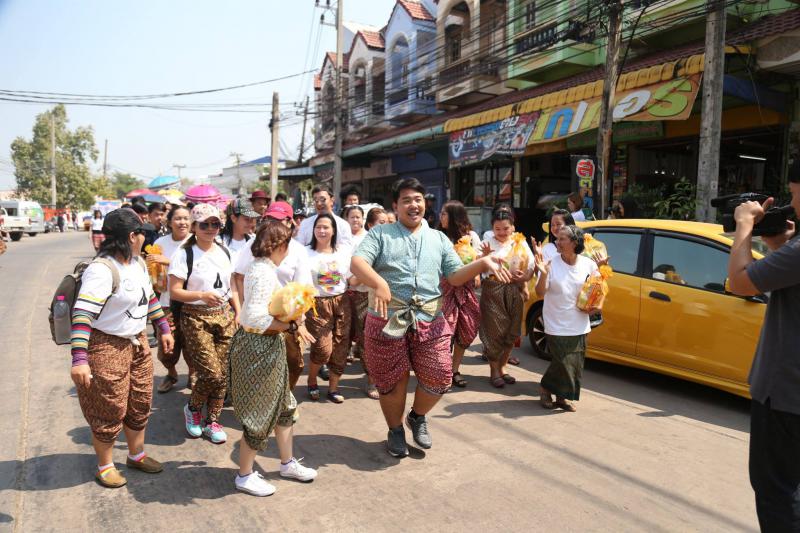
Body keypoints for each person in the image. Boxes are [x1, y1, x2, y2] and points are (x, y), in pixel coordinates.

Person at [350, 178, 511, 457]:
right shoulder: (380, 235)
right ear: (395, 206)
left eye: (418, 200)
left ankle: (417, 416)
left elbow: (454, 275)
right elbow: (357, 262)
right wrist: (379, 283)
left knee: (440, 376)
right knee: (391, 381)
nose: (413, 205)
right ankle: (395, 430)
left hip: (430, 317)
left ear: (425, 203)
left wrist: (481, 264)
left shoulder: (438, 238)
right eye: (406, 200)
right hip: (387, 319)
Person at [69, 208, 174, 488]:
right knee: (109, 407)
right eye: (142, 233)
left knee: (140, 402)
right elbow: (82, 315)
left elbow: (149, 297)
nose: (144, 238)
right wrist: (80, 358)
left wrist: (162, 328)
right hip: (106, 346)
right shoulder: (102, 270)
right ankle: (105, 465)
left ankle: (136, 455)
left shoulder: (137, 262)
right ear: (132, 236)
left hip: (137, 342)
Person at [727, 166, 800, 531]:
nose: (791, 204)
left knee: (775, 492)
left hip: (785, 396)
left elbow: (739, 282)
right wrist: (777, 245)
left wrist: (744, 224)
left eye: (794, 194)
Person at [230, 221, 317, 497]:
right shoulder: (262, 271)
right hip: (258, 349)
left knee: (284, 407)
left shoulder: (263, 268)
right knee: (260, 413)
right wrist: (290, 324)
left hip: (266, 347)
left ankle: (287, 463)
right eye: (287, 245)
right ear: (279, 245)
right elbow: (254, 318)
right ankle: (244, 475)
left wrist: (290, 318)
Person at [168, 203, 240, 444]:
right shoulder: (184, 253)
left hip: (225, 316)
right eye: (205, 224)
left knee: (224, 374)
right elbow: (175, 292)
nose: (210, 229)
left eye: (215, 224)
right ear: (195, 226)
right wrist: (201, 295)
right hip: (195, 317)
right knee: (211, 373)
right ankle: (193, 408)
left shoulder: (224, 251)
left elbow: (231, 287)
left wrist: (238, 312)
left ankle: (212, 421)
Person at [234, 201, 314, 390]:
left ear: (290, 222)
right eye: (269, 219)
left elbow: (303, 291)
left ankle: (279, 401)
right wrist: (241, 311)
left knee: (292, 365)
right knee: (263, 372)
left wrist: (297, 323)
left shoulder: (297, 250)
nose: (273, 225)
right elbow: (238, 278)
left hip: (287, 319)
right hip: (263, 324)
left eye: (278, 220)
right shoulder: (256, 254)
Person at [533, 225, 599, 412]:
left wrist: (596, 305)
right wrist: (543, 274)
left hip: (580, 322)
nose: (557, 242)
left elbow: (597, 290)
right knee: (561, 361)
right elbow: (539, 293)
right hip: (556, 322)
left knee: (574, 363)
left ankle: (562, 397)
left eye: (562, 239)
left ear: (575, 243)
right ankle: (546, 388)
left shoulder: (589, 264)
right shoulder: (550, 263)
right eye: (557, 238)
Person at [478, 205, 535, 387]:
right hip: (492, 289)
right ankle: (494, 370)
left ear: (513, 227)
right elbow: (475, 267)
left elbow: (532, 266)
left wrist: (524, 279)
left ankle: (503, 367)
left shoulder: (519, 242)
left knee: (512, 331)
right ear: (492, 228)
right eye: (497, 229)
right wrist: (484, 258)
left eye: (506, 228)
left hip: (513, 289)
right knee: (494, 332)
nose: (502, 232)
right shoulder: (487, 242)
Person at [304, 213, 352, 403]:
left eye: (326, 227)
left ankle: (333, 388)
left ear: (333, 231)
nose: (322, 231)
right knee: (323, 348)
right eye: (318, 227)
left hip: (341, 301)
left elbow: (350, 278)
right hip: (316, 304)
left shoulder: (343, 253)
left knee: (341, 347)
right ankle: (312, 378)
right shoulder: (305, 252)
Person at [148, 205, 193, 393]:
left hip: (192, 302)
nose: (182, 222)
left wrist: (168, 262)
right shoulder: (161, 242)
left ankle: (193, 376)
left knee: (193, 344)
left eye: (186, 218)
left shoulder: (197, 241)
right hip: (167, 301)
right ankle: (172, 373)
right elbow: (154, 272)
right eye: (178, 218)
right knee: (167, 345)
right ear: (169, 222)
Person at [438, 200, 481, 389]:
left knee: (467, 330)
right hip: (444, 291)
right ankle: (444, 373)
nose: (441, 217)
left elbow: (479, 259)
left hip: (466, 290)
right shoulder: (438, 237)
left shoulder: (471, 237)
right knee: (444, 334)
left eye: (444, 214)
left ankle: (455, 369)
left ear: (455, 216)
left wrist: (478, 272)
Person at [344, 205, 379, 399]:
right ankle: (371, 380)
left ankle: (379, 378)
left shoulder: (385, 242)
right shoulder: (354, 243)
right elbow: (352, 277)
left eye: (359, 217)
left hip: (383, 297)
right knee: (366, 339)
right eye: (353, 217)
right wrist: (366, 278)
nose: (356, 220)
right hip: (360, 295)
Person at [220, 198, 260, 266]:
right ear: (233, 218)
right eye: (247, 219)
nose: (251, 223)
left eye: (252, 219)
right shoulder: (219, 242)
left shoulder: (255, 240)